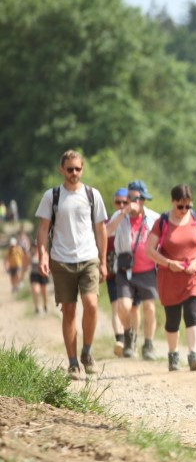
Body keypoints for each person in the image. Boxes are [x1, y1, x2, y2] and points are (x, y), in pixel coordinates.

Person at [35, 150, 108, 379]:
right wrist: (42, 256)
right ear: (62, 170)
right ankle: (73, 363)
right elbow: (43, 229)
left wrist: (103, 261)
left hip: (88, 258)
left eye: (77, 168)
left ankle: (87, 351)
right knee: (68, 311)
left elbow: (101, 230)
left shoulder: (92, 195)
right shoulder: (52, 196)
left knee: (91, 305)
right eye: (70, 169)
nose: (74, 173)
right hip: (62, 260)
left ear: (82, 169)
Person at [145, 184, 196, 371]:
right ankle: (173, 354)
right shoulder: (162, 222)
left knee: (192, 312)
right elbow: (149, 249)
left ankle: (193, 355)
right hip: (170, 278)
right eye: (180, 206)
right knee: (172, 319)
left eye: (188, 206)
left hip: (194, 275)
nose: (184, 210)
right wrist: (168, 263)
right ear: (172, 202)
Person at [107, 180, 161, 360]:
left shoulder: (153, 218)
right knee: (123, 306)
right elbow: (106, 232)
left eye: (138, 198)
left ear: (143, 200)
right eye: (130, 198)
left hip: (148, 270)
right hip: (125, 270)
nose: (134, 202)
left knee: (149, 308)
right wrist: (123, 213)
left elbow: (163, 240)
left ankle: (148, 344)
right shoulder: (119, 216)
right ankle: (129, 336)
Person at [106, 187, 131, 356]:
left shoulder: (133, 222)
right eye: (118, 202)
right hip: (111, 270)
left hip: (128, 269)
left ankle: (129, 339)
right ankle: (120, 340)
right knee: (115, 306)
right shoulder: (110, 222)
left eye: (124, 202)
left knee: (129, 307)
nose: (121, 205)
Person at [28, 240, 49, 314]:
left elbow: (48, 263)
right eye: (34, 246)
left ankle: (45, 305)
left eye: (37, 246)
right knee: (35, 290)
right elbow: (25, 264)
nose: (36, 247)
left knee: (44, 292)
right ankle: (36, 308)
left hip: (43, 274)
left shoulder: (44, 254)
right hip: (34, 275)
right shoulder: (30, 255)